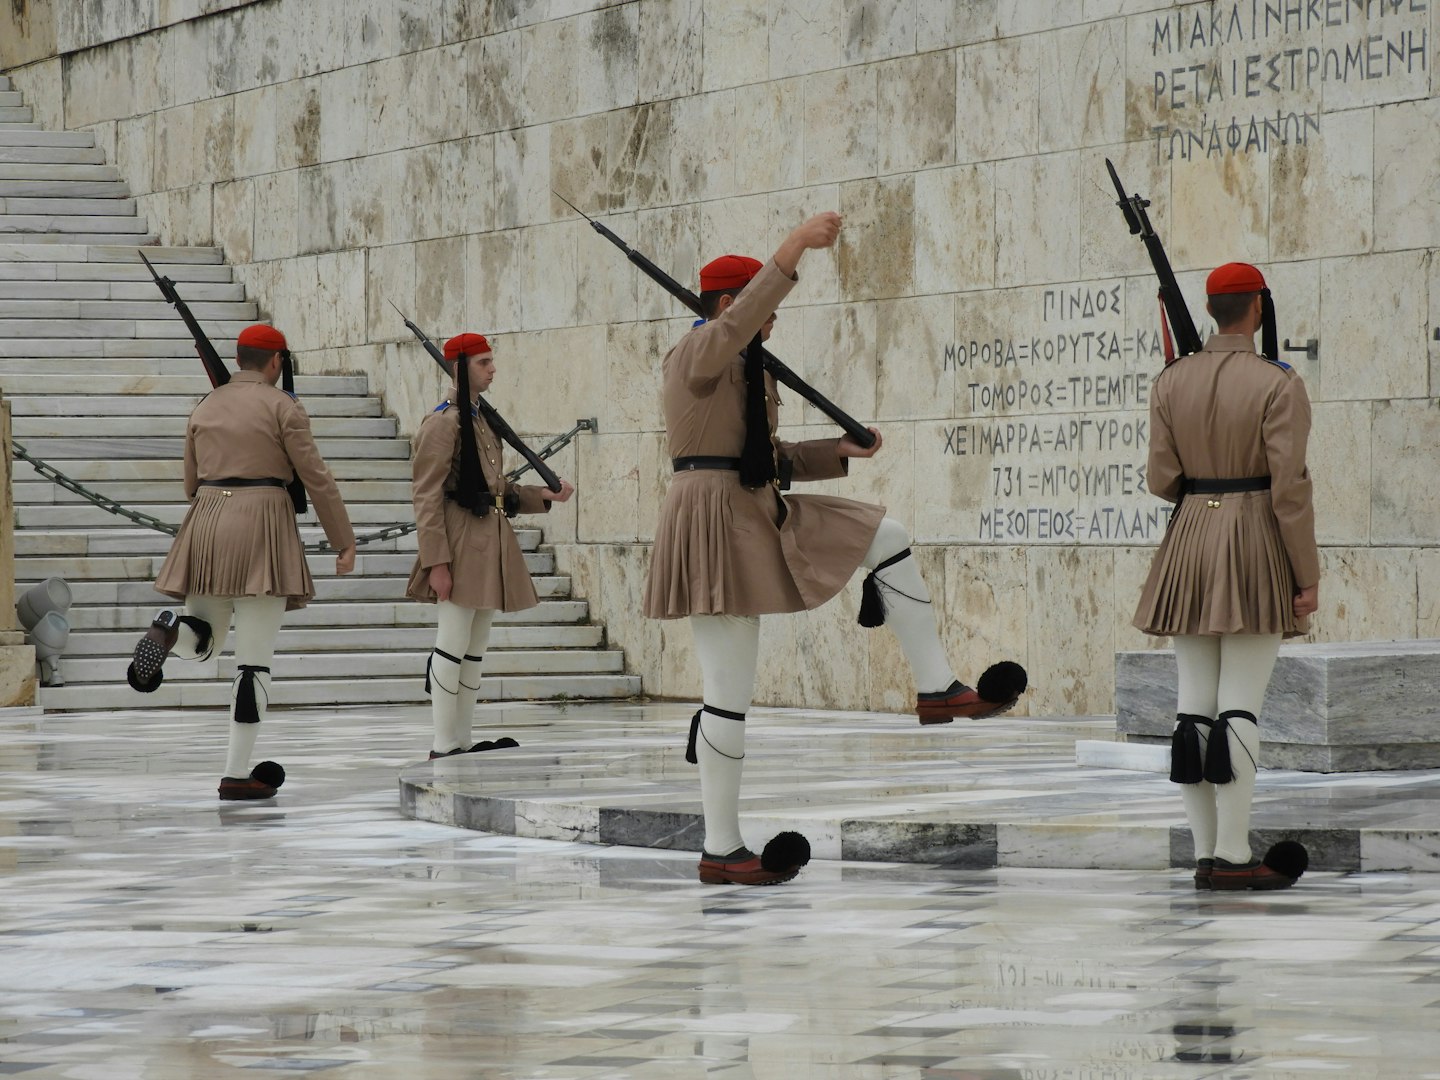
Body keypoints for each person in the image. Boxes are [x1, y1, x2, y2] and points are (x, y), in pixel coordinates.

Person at [643, 213, 1026, 886]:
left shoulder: (736, 363)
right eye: (762, 313)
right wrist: (790, 247)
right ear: (732, 305)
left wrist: (838, 453)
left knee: (888, 536)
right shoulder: (701, 350)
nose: (773, 326)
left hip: (753, 504)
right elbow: (737, 329)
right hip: (713, 522)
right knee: (728, 695)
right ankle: (722, 849)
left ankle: (937, 689)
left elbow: (766, 455)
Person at [1133, 262, 1318, 891]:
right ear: (1258, 309)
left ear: (1212, 310)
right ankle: (1236, 857)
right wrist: (1306, 573)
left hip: (1189, 537)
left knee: (1194, 708)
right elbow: (1289, 488)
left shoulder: (1170, 380)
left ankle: (1206, 853)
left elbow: (1162, 480)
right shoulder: (1277, 383)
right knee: (1240, 704)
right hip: (1252, 537)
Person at [130, 324, 357, 800]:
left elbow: (190, 483)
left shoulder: (205, 404)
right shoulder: (284, 406)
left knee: (204, 641)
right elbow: (316, 477)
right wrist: (343, 540)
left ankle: (171, 631)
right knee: (252, 665)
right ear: (276, 362)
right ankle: (236, 773)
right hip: (262, 522)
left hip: (208, 519)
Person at [406, 333, 575, 759]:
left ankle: (461, 737)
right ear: (461, 369)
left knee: (475, 646)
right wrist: (436, 562)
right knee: (452, 640)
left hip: (488, 537)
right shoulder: (443, 423)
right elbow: (427, 497)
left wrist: (544, 496)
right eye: (483, 362)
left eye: (491, 361)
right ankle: (443, 743)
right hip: (460, 540)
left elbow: (496, 488)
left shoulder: (480, 418)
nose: (492, 368)